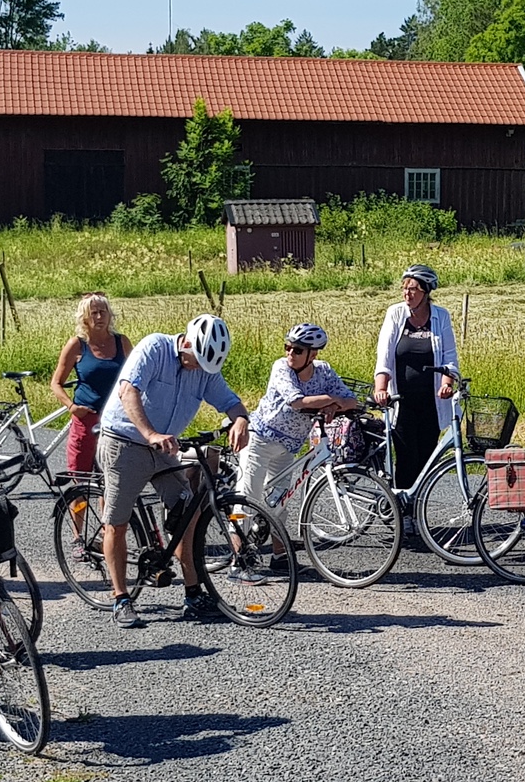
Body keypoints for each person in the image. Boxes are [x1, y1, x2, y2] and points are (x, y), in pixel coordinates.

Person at [96, 313, 250, 628]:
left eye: (206, 367)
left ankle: (193, 595)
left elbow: (230, 401)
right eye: (196, 361)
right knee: (117, 524)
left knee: (187, 515)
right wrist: (150, 434)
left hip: (165, 450)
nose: (199, 370)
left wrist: (240, 420)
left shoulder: (205, 367)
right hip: (125, 442)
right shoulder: (154, 348)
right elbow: (128, 391)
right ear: (187, 343)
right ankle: (121, 598)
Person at [238, 323, 356, 522]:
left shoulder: (324, 371)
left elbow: (351, 400)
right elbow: (297, 401)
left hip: (288, 447)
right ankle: (237, 550)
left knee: (278, 504)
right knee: (246, 503)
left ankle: (280, 552)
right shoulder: (281, 367)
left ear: (313, 355)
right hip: (260, 441)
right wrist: (331, 399)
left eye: (298, 350)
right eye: (288, 347)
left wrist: (334, 406)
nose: (290, 353)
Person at [372, 265, 458, 490]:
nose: (407, 294)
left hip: (431, 402)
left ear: (426, 291)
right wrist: (381, 388)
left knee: (426, 460)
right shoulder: (396, 313)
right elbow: (385, 355)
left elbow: (449, 358)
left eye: (413, 289)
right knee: (407, 459)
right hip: (402, 401)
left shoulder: (441, 316)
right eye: (404, 288)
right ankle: (402, 514)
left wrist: (447, 384)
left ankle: (416, 509)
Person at [49, 293, 129, 476]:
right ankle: (76, 505)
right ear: (84, 317)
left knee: (109, 477)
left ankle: (105, 507)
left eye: (103, 312)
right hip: (86, 419)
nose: (99, 317)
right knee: (80, 477)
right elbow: (56, 383)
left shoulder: (121, 342)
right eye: (94, 313)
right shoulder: (77, 345)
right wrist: (72, 407)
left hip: (114, 420)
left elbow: (135, 378)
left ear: (110, 315)